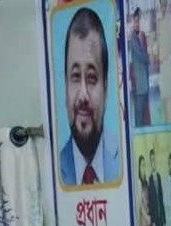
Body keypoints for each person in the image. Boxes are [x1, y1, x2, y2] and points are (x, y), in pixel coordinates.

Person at [59, 6, 121, 187]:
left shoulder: (126, 159)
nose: (83, 95)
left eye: (92, 78)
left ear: (106, 89)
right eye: (75, 77)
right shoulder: (53, 170)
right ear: (65, 86)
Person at [129, 6, 153, 127]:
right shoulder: (132, 38)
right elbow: (141, 55)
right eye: (135, 21)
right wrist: (150, 58)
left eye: (139, 21)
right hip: (138, 86)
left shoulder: (141, 36)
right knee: (139, 119)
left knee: (144, 118)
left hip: (144, 85)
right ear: (132, 22)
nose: (137, 24)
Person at [155, 0, 171, 124]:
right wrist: (157, 54)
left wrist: (166, 55)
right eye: (161, 5)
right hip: (161, 63)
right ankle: (166, 121)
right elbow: (156, 42)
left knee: (170, 93)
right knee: (164, 93)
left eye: (164, 5)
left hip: (168, 61)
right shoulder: (158, 22)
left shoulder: (170, 21)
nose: (163, 7)